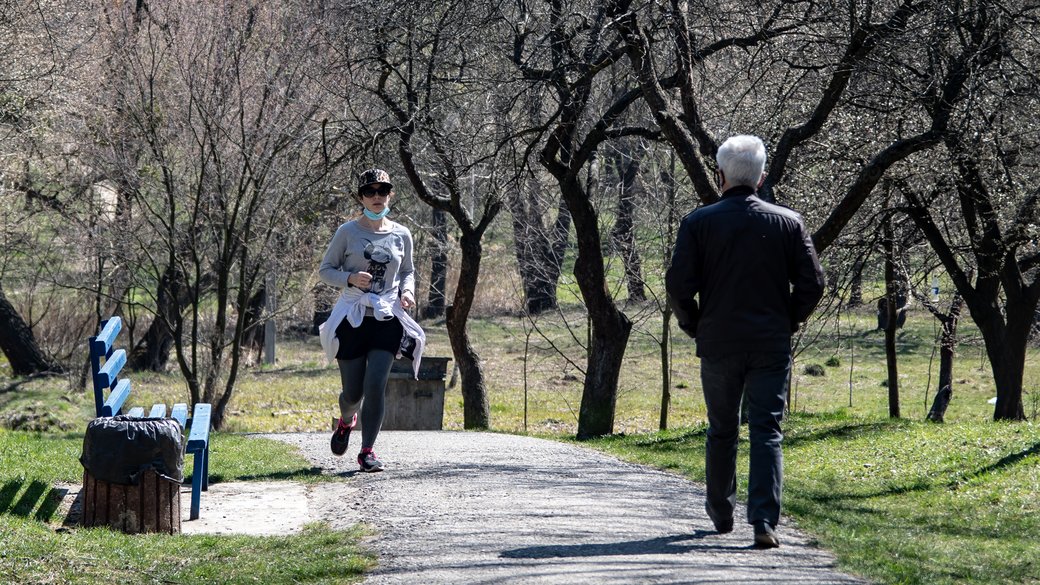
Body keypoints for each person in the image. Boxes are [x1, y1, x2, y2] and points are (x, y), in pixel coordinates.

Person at [665, 135, 825, 548]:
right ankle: (764, 522)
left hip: (718, 342)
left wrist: (694, 325)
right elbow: (813, 283)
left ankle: (720, 511)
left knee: (722, 429)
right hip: (770, 343)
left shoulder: (698, 223)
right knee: (767, 430)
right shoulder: (788, 222)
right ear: (762, 175)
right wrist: (787, 319)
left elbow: (678, 286)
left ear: (720, 176)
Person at [318, 168, 425, 472]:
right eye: (370, 192)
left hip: (386, 315)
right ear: (361, 197)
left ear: (391, 194)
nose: (377, 197)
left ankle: (367, 452)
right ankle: (346, 420)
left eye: (383, 191)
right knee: (354, 393)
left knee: (376, 384)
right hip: (353, 317)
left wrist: (407, 291)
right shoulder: (347, 232)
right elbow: (326, 270)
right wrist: (350, 277)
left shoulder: (402, 233)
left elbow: (408, 271)